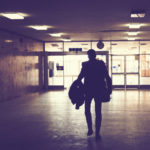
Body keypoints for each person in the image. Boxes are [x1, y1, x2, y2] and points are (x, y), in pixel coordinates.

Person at [77, 49, 112, 140]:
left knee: (87, 109)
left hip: (88, 90)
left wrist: (76, 87)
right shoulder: (101, 64)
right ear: (95, 55)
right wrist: (109, 90)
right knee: (98, 111)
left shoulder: (85, 64)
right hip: (98, 90)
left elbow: (80, 77)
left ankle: (90, 129)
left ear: (88, 56)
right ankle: (97, 132)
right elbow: (107, 77)